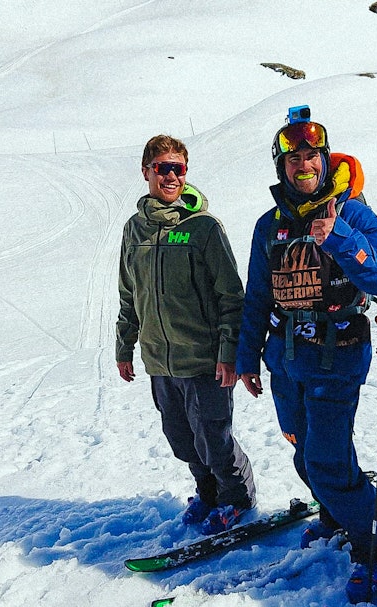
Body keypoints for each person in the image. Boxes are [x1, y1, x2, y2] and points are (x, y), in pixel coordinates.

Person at [235, 105, 377, 604]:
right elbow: (257, 296)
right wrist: (247, 357)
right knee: (304, 451)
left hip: (339, 353)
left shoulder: (353, 213)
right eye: (293, 158)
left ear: (325, 161)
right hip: (285, 361)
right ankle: (334, 515)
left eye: (312, 155)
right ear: (281, 167)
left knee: (327, 460)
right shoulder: (270, 225)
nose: (303, 165)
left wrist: (342, 239)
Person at [116, 134, 257, 535]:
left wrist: (230, 353)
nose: (172, 176)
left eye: (178, 168)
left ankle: (237, 496)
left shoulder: (204, 228)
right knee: (181, 438)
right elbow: (129, 292)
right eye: (163, 168)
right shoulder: (134, 230)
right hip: (160, 359)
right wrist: (124, 345)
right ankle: (208, 492)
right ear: (146, 172)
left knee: (214, 437)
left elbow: (232, 296)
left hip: (204, 359)